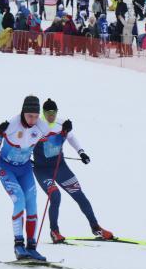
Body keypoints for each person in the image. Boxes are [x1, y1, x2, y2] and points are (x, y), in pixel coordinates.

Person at [33, 99, 112, 244]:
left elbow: (72, 138)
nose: (51, 115)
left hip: (59, 167)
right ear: (43, 113)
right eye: (48, 113)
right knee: (55, 196)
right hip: (42, 170)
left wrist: (81, 153)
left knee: (79, 195)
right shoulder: (37, 125)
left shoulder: (61, 124)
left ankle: (96, 227)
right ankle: (54, 231)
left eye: (53, 113)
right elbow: (26, 141)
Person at [0, 95, 51, 262]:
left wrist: (65, 132)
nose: (33, 120)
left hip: (25, 168)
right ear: (23, 113)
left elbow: (51, 139)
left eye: (36, 116)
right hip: (6, 167)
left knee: (32, 203)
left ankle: (31, 247)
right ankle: (18, 245)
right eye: (30, 116)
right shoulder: (12, 125)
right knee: (19, 200)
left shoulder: (41, 127)